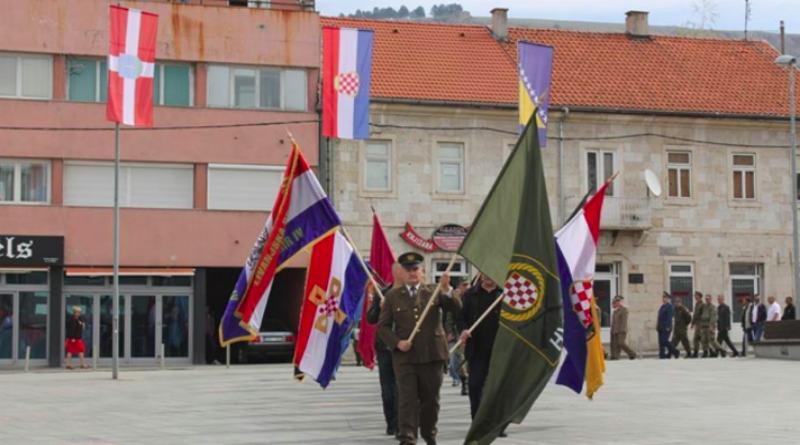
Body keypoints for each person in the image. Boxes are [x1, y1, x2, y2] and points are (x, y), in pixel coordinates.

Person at [378, 252, 461, 445]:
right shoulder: (392, 296)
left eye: (415, 269)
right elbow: (382, 327)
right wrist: (397, 343)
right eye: (408, 270)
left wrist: (448, 288)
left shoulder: (434, 290)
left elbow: (456, 306)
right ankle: (407, 438)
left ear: (422, 271)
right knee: (407, 400)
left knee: (431, 400)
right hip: (405, 358)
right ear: (402, 273)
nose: (412, 273)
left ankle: (429, 433)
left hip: (432, 355)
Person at [457, 274, 504, 423]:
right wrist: (463, 329)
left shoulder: (505, 293)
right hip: (477, 349)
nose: (487, 276)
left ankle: (496, 423)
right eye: (484, 272)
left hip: (500, 349)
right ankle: (477, 421)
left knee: (497, 388)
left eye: (491, 272)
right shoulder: (471, 294)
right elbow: (461, 317)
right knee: (475, 385)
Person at [367, 262, 404, 437]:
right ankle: (391, 421)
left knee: (403, 387)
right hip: (384, 347)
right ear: (395, 273)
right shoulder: (381, 292)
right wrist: (380, 308)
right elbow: (370, 318)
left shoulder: (410, 294)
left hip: (404, 346)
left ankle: (401, 424)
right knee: (388, 390)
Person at [444, 281, 469, 396]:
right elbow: (450, 317)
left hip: (474, 332)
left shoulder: (473, 296)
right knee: (459, 358)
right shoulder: (456, 300)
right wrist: (449, 332)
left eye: (468, 285)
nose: (466, 287)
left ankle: (471, 379)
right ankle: (464, 381)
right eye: (464, 285)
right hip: (460, 332)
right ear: (459, 286)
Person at [610, 296, 636, 360]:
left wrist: (622, 329)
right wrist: (612, 330)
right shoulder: (615, 311)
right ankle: (615, 356)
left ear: (618, 303)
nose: (612, 304)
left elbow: (624, 321)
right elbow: (614, 322)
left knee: (620, 342)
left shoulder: (623, 310)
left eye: (614, 303)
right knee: (615, 344)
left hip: (621, 330)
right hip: (615, 330)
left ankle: (632, 353)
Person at [657, 293, 680, 359]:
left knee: (664, 340)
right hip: (661, 327)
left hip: (666, 327)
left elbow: (669, 317)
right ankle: (662, 355)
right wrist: (657, 325)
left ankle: (675, 351)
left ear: (668, 299)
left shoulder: (669, 306)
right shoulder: (662, 306)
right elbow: (659, 317)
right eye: (663, 297)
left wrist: (668, 326)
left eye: (665, 298)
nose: (664, 299)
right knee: (661, 342)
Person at [690, 291, 705, 358]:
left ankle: (706, 352)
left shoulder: (702, 304)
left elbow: (704, 315)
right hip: (697, 324)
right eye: (694, 295)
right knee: (696, 339)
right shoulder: (696, 304)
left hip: (701, 324)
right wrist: (692, 323)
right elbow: (695, 315)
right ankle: (695, 352)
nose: (695, 297)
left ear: (699, 296)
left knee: (702, 339)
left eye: (696, 295)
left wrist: (703, 324)